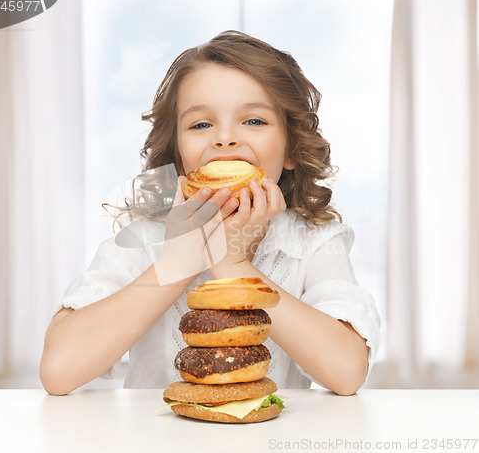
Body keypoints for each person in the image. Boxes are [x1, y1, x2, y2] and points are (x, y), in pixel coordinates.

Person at [39, 30, 380, 396]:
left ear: (290, 150)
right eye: (201, 124)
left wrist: (234, 267)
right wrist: (176, 263)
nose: (225, 138)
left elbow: (346, 373)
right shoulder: (144, 237)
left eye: (254, 121)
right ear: (178, 155)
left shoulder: (315, 241)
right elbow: (58, 370)